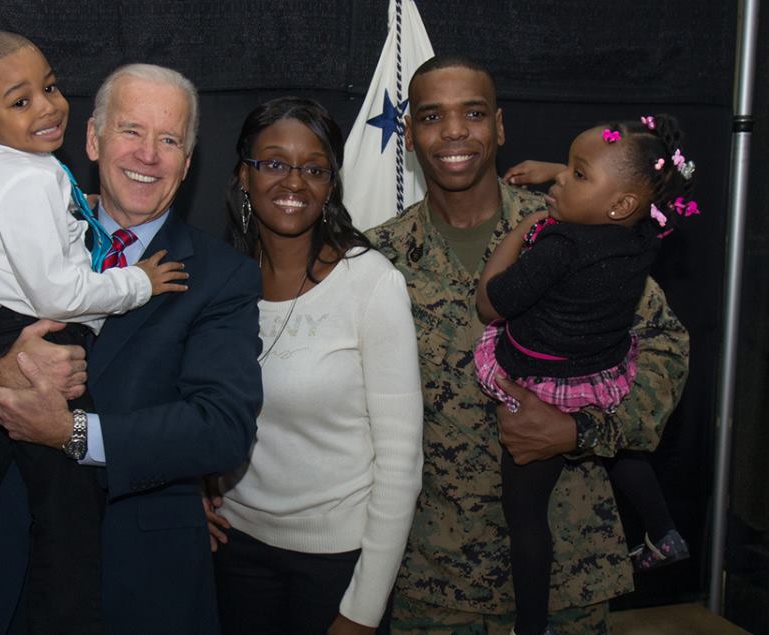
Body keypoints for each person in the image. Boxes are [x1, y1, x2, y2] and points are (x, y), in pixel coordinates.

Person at [0, 63, 263, 634]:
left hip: (140, 590)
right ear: (93, 139)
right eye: (130, 131)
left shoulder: (222, 277)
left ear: (187, 164)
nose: (147, 155)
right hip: (5, 584)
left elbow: (220, 429)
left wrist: (69, 432)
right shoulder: (21, 227)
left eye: (169, 140)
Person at [364, 55, 690, 634]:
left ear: (501, 126)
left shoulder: (579, 231)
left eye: (474, 113)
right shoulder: (375, 259)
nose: (456, 131)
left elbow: (665, 348)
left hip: (570, 573)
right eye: (432, 116)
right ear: (408, 134)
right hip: (437, 583)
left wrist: (580, 431)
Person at [204, 97, 424, 635]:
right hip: (234, 547)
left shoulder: (371, 283)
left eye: (314, 168)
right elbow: (201, 408)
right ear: (243, 174)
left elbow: (401, 462)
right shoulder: (220, 281)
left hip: (336, 564)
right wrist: (195, 486)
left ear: (331, 186)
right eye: (274, 163)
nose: (294, 182)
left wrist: (363, 609)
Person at [473, 115, 697, 635]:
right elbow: (628, 197)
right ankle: (662, 530)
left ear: (618, 202)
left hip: (540, 384)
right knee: (618, 450)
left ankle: (532, 626)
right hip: (597, 376)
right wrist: (568, 172)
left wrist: (522, 232)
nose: (558, 183)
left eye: (576, 175)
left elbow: (496, 303)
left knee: (525, 515)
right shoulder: (642, 234)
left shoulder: (561, 244)